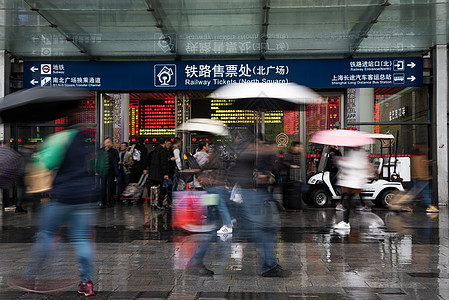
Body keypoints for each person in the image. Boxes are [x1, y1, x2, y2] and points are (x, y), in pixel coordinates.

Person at [9, 124, 98, 296]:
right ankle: (86, 283)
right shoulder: (83, 139)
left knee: (47, 234)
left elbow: (44, 163)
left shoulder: (61, 138)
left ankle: (30, 277)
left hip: (63, 195)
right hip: (84, 194)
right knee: (81, 238)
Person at [232, 132, 291, 277]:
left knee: (267, 228)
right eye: (259, 143)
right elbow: (240, 171)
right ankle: (269, 265)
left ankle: (269, 263)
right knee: (263, 229)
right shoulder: (247, 152)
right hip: (251, 193)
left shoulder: (253, 152)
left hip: (258, 193)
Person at [333, 147, 371, 230]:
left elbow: (353, 165)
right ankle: (345, 222)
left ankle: (346, 223)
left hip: (355, 183)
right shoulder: (356, 154)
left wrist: (340, 161)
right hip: (354, 182)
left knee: (347, 202)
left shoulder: (357, 154)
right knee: (347, 201)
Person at [406, 143, 438, 213]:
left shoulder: (414, 158)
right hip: (421, 178)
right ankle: (429, 206)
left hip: (416, 178)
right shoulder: (420, 158)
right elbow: (421, 168)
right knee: (425, 193)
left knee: (412, 193)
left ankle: (407, 205)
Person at [146, 137, 170, 209]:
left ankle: (153, 203)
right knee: (163, 189)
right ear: (165, 142)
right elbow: (163, 163)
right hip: (160, 173)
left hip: (153, 173)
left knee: (153, 188)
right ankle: (160, 204)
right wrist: (165, 173)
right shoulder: (163, 151)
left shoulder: (155, 151)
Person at [100, 137, 119, 208]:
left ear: (111, 143)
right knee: (103, 186)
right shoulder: (101, 150)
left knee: (110, 186)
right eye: (106, 142)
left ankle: (109, 201)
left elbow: (116, 160)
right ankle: (103, 201)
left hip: (111, 170)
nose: (107, 144)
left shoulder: (114, 151)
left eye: (109, 142)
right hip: (103, 170)